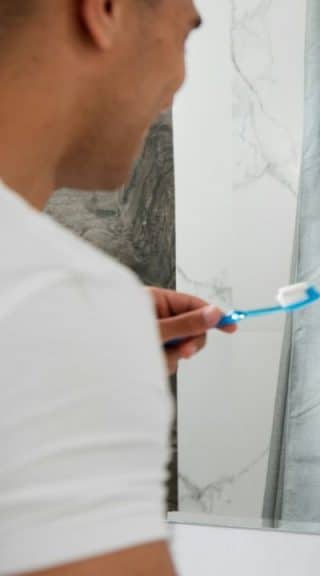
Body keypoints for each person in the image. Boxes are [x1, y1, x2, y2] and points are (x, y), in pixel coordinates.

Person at [0, 1, 233, 573]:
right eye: (185, 36)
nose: (177, 82)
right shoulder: (54, 300)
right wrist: (81, 333)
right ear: (105, 10)